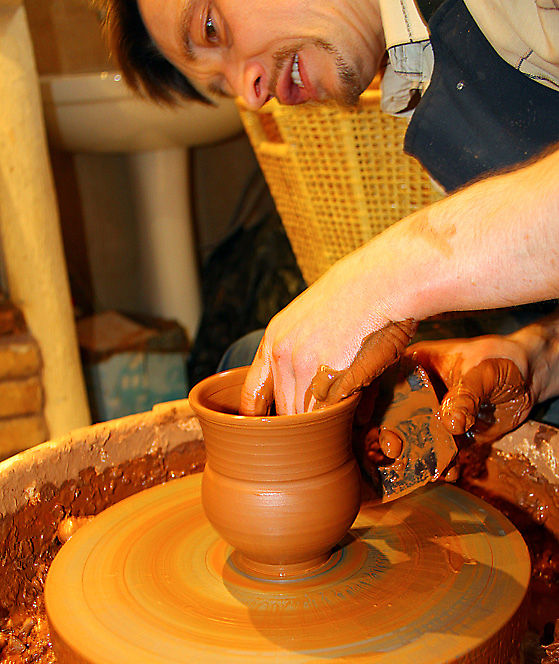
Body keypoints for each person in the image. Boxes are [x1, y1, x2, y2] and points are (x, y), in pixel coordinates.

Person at [103, 0, 559, 433]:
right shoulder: (422, 71)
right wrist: (536, 356)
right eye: (223, 86)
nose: (250, 93)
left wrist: (380, 281)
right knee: (253, 369)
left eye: (210, 28)